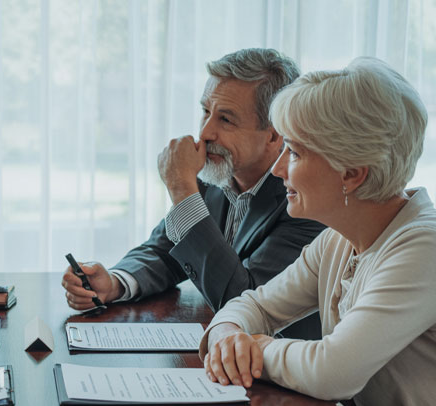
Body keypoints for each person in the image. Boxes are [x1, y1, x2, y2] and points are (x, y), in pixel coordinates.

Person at [201, 57, 436, 406]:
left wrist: (258, 348)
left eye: (296, 152)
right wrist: (230, 334)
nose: (279, 169)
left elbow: (334, 370)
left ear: (352, 172)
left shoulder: (423, 248)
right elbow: (255, 305)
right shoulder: (339, 240)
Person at [62, 48, 324, 339]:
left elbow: (245, 302)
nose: (205, 133)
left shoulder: (303, 200)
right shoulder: (218, 174)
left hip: (277, 367)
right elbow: (165, 250)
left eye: (226, 120)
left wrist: (182, 190)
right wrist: (115, 282)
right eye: (205, 112)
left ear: (274, 135)